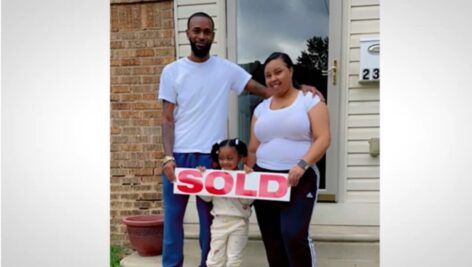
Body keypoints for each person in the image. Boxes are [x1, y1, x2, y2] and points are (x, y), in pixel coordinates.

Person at [158, 12, 323, 267]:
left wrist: (297, 89)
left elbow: (264, 89)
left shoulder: (226, 69)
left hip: (211, 158)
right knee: (173, 221)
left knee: (210, 225)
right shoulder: (172, 71)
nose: (201, 36)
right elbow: (167, 118)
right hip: (178, 156)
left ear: (213, 35)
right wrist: (168, 156)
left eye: (207, 31)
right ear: (188, 33)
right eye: (196, 31)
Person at [246, 52, 331, 267]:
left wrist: (302, 165)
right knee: (272, 240)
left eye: (278, 72)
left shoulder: (310, 100)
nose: (273, 78)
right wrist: (248, 174)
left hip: (298, 177)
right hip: (264, 178)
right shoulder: (261, 108)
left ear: (291, 71)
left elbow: (323, 138)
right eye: (268, 75)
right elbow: (254, 148)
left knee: (293, 234)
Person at [197, 138, 254, 267]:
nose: (225, 162)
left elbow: (247, 201)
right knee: (215, 258)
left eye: (229, 158)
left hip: (239, 223)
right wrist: (202, 180)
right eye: (221, 158)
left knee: (234, 258)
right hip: (219, 222)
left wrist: (246, 180)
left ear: (239, 158)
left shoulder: (245, 176)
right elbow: (207, 198)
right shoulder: (214, 177)